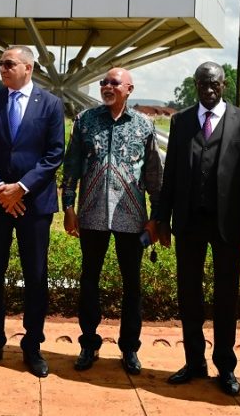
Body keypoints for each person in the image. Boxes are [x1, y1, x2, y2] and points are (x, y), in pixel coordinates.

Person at [153, 62, 240, 396]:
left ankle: (225, 367)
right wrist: (162, 219)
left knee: (226, 296)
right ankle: (194, 361)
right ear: (195, 85)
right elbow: (169, 176)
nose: (208, 89)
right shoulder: (181, 121)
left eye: (214, 84)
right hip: (189, 222)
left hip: (227, 223)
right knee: (189, 294)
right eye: (202, 84)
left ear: (223, 84)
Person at [0, 45, 65, 378]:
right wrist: (0, 188)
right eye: (0, 64)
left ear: (28, 67)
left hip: (33, 204)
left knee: (36, 276)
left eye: (8, 64)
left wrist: (21, 188)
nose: (2, 69)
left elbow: (54, 154)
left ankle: (33, 346)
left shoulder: (51, 104)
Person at [61, 67, 163, 375]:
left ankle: (129, 348)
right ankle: (88, 344)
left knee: (132, 285)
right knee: (89, 280)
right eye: (104, 82)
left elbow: (155, 175)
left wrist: (156, 218)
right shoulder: (85, 121)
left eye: (114, 83)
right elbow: (72, 166)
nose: (107, 86)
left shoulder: (145, 126)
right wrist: (68, 206)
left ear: (128, 89)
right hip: (91, 214)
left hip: (131, 218)